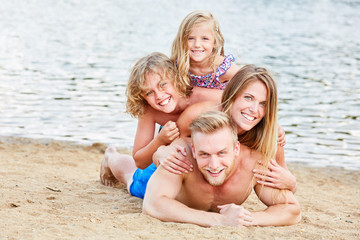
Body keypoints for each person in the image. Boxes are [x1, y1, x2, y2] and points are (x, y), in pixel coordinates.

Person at [107, 111, 301, 227]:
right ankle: (110, 157)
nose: (214, 165)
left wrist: (248, 218)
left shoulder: (254, 163)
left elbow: (292, 210)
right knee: (132, 179)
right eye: (204, 154)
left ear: (236, 149)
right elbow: (152, 205)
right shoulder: (181, 154)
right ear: (194, 149)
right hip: (162, 183)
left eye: (222, 153)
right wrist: (220, 221)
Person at [155, 64, 297, 192]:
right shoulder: (198, 115)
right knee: (135, 180)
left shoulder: (270, 133)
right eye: (248, 98)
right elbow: (163, 152)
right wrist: (161, 152)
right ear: (233, 95)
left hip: (213, 181)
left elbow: (283, 175)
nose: (254, 109)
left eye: (263, 104)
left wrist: (292, 183)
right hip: (173, 172)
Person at [171, 10, 239, 103]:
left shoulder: (225, 69)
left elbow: (247, 86)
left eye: (205, 39)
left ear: (214, 42)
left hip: (216, 110)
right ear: (182, 41)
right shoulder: (178, 66)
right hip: (190, 108)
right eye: (190, 38)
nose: (197, 44)